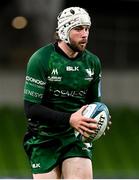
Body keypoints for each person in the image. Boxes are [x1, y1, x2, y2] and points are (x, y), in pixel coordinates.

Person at [23, 6, 111, 179]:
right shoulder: (41, 59)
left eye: (87, 29)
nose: (84, 34)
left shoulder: (93, 63)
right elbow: (31, 108)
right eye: (78, 29)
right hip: (44, 138)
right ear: (64, 31)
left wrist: (99, 118)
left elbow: (94, 104)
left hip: (75, 138)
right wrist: (70, 119)